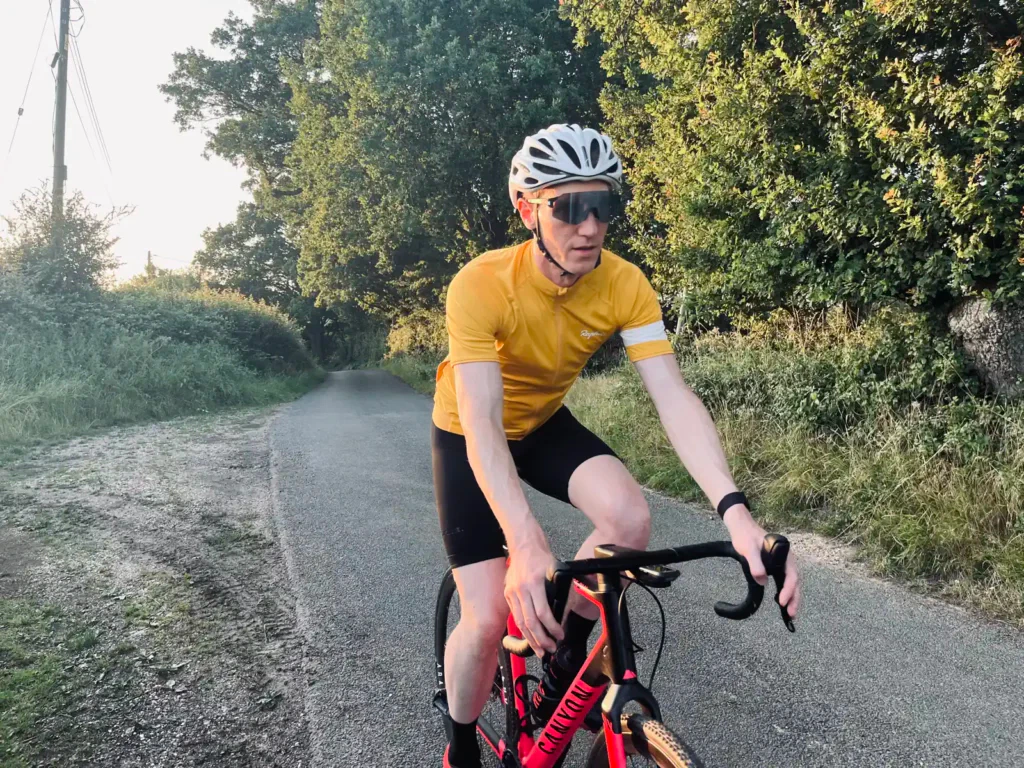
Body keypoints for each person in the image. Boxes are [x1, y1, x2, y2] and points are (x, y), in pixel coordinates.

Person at [431, 124, 802, 768]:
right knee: (487, 617)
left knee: (630, 518)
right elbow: (484, 422)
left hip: (544, 423)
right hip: (469, 430)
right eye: (569, 207)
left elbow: (674, 398)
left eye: (603, 205)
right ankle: (461, 746)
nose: (590, 226)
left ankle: (564, 661)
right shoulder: (481, 283)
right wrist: (525, 542)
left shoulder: (626, 284)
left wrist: (737, 514)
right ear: (527, 210)